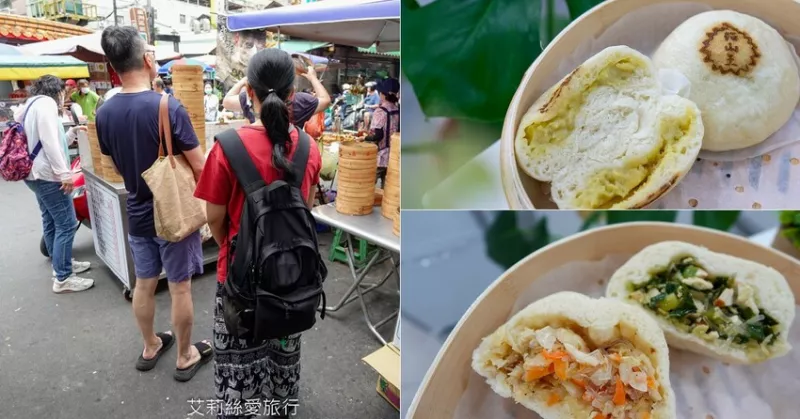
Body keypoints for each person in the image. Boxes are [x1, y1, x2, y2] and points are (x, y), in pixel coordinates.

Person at [195, 49, 322, 419]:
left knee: (239, 369)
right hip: (291, 282)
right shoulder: (309, 149)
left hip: (239, 284)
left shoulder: (227, 147)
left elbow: (215, 219)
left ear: (248, 90)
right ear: (292, 90)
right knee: (282, 364)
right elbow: (307, 210)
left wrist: (237, 250)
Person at [97, 25, 212, 380]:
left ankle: (150, 345)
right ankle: (185, 354)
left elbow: (116, 166)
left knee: (144, 283)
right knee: (179, 286)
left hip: (138, 211)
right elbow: (201, 165)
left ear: (113, 65)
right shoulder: (167, 106)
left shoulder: (104, 112)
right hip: (174, 213)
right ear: (148, 60)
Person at [17, 75, 93, 293]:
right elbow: (50, 143)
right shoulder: (47, 105)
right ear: (57, 91)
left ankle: (61, 263)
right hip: (48, 175)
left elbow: (46, 140)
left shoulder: (31, 104)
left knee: (50, 220)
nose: (64, 98)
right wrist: (64, 174)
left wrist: (72, 132)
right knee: (67, 223)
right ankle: (63, 277)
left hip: (34, 175)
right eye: (63, 93)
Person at [222, 64, 330, 129]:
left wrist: (244, 81)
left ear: (250, 90)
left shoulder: (250, 98)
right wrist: (313, 78)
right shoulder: (301, 101)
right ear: (291, 91)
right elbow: (325, 100)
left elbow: (226, 102)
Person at [365, 78, 400, 188]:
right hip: (394, 156)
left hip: (381, 157)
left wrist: (365, 138)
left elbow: (378, 135)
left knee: (367, 186)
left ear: (382, 95)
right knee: (387, 190)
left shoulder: (380, 111)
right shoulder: (397, 110)